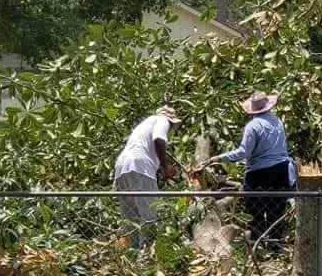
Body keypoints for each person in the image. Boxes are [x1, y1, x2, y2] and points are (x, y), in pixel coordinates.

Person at [201, 90, 293, 242]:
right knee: (276, 209)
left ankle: (257, 244)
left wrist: (217, 158)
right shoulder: (278, 121)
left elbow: (243, 152)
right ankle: (275, 246)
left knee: (255, 209)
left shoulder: (253, 126)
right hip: (281, 169)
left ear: (252, 110)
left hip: (259, 173)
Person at [113, 106, 181, 246]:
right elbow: (159, 139)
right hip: (140, 167)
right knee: (149, 215)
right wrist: (165, 167)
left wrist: (162, 170)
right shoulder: (162, 120)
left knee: (130, 218)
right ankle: (147, 255)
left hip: (122, 167)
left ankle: (132, 255)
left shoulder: (145, 124)